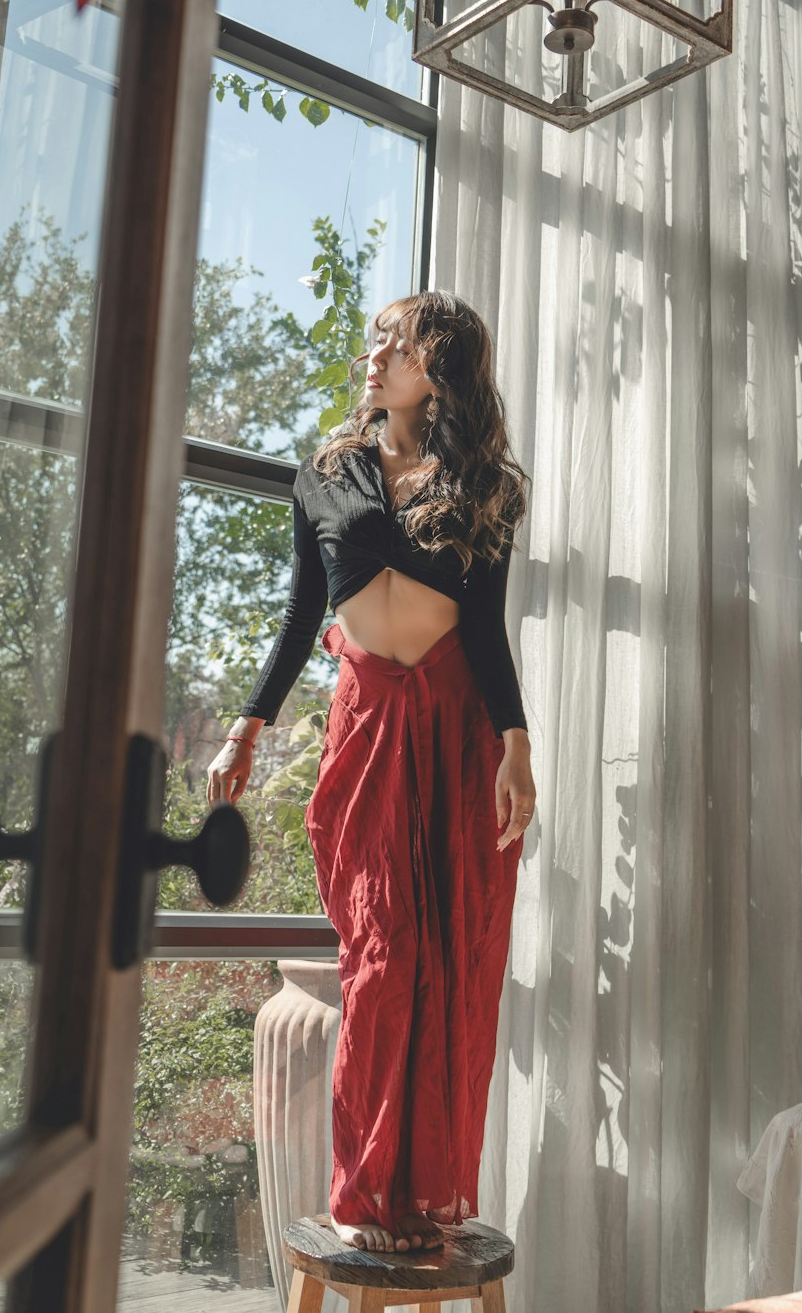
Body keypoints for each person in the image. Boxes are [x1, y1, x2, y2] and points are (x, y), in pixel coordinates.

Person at [207, 290, 536, 1255]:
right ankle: (362, 1194)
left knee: (444, 963)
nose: (376, 353)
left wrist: (518, 744)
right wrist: (246, 727)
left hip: (456, 726)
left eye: (397, 342)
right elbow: (302, 614)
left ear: (442, 366)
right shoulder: (324, 475)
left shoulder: (485, 484)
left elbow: (486, 628)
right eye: (376, 339)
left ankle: (415, 1192)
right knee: (382, 953)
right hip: (368, 726)